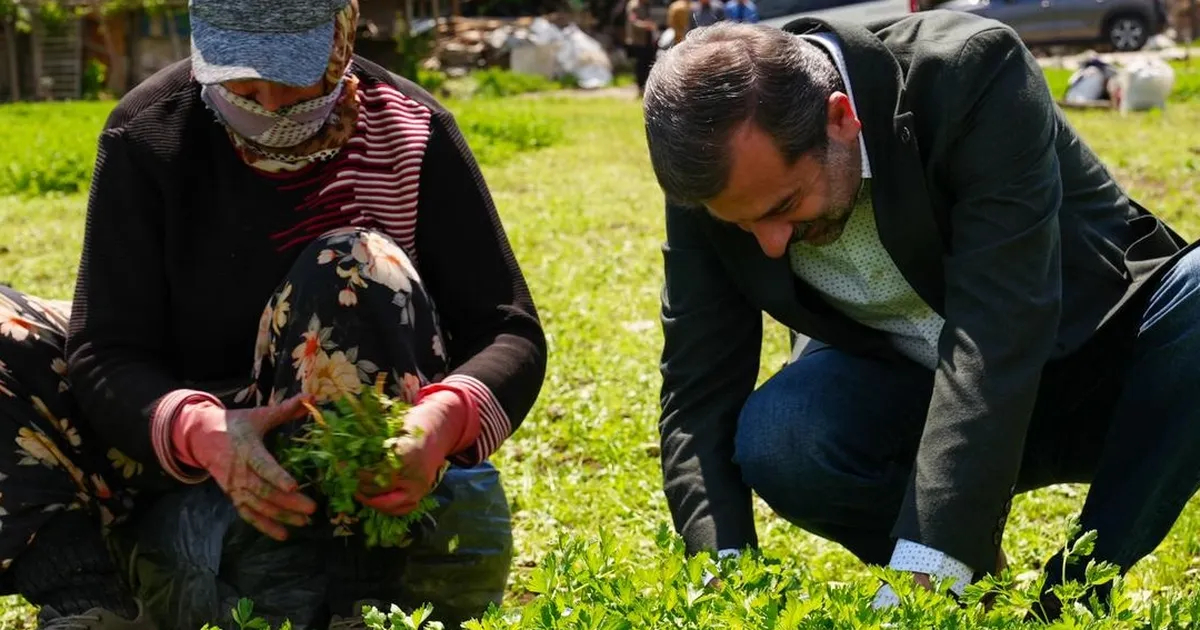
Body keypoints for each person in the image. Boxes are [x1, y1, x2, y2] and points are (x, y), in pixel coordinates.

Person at [0, 0, 547, 627]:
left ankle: (355, 587)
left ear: (340, 37)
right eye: (238, 79)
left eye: (290, 77)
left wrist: (447, 415)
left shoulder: (410, 131)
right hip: (184, 445)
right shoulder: (149, 132)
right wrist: (198, 429)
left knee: (352, 263)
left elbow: (509, 328)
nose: (265, 101)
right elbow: (106, 347)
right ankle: (85, 594)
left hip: (338, 452)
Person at [643, 15, 1199, 620]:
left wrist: (927, 561)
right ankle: (972, 584)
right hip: (914, 390)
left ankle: (1076, 590)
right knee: (785, 435)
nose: (771, 243)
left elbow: (997, 330)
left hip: (1096, 364)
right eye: (742, 225)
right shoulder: (718, 179)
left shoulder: (969, 70)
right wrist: (722, 577)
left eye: (785, 205)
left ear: (840, 118)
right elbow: (698, 390)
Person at [625, 0, 659, 97]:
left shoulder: (646, 5)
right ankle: (640, 88)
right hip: (639, 41)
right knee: (641, 65)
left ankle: (648, 86)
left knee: (649, 63)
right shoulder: (634, 5)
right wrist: (646, 25)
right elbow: (633, 21)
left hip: (648, 40)